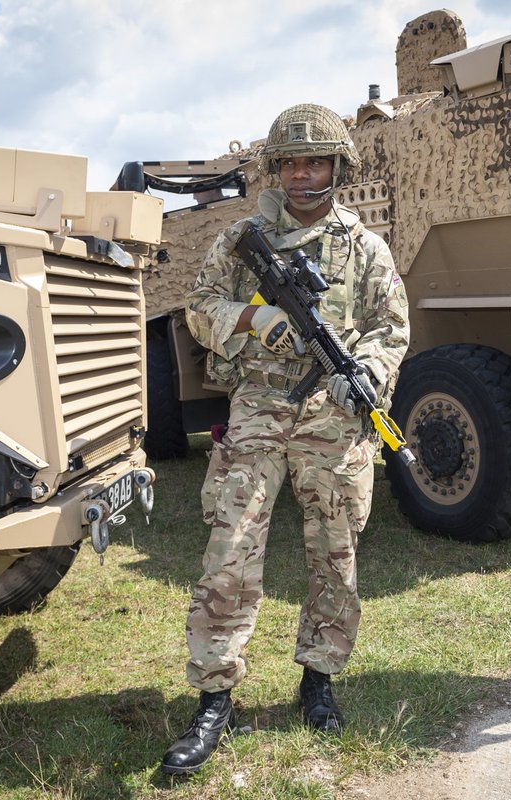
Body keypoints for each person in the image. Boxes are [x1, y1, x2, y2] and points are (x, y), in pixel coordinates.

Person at [160, 103, 410, 775]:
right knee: (230, 549)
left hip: (333, 420)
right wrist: (256, 319)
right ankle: (215, 697)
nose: (302, 175)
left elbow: (391, 327)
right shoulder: (241, 239)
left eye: (316, 163)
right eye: (291, 163)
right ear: (277, 169)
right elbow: (198, 310)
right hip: (258, 412)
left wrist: (368, 375)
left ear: (337, 169)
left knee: (335, 553)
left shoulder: (364, 247)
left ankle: (319, 678)